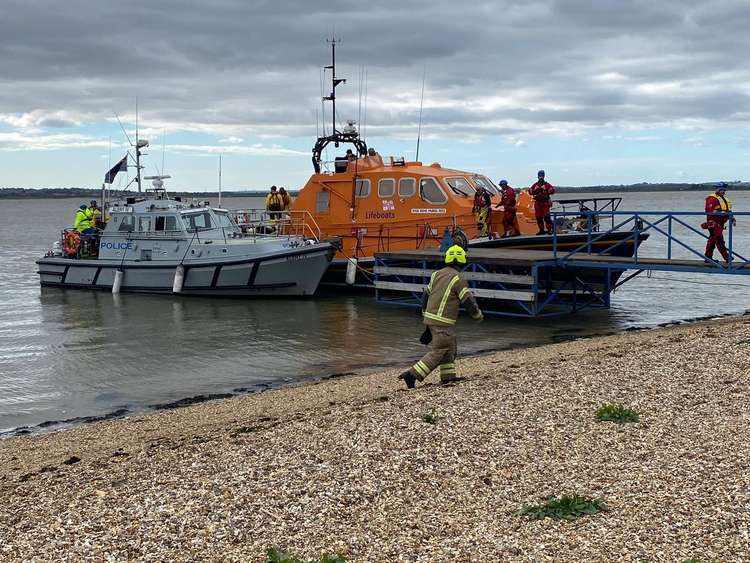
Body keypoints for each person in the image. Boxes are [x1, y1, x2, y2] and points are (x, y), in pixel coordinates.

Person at [398, 245, 483, 389]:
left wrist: (424, 312)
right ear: (463, 261)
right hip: (442, 321)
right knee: (440, 349)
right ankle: (412, 375)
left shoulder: (436, 274)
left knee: (449, 347)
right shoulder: (458, 279)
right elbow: (467, 300)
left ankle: (448, 377)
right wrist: (476, 314)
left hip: (431, 318)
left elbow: (426, 294)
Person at [703, 182, 735, 262]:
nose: (723, 191)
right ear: (716, 189)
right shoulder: (712, 199)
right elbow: (710, 211)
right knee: (719, 239)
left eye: (724, 190)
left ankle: (708, 257)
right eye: (721, 190)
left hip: (721, 223)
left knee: (712, 240)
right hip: (713, 223)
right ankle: (727, 257)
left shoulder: (724, 199)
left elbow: (728, 211)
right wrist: (720, 212)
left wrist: (732, 219)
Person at [528, 170, 555, 235]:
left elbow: (552, 190)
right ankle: (541, 230)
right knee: (538, 217)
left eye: (542, 176)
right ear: (537, 176)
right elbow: (530, 191)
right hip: (538, 203)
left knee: (546, 217)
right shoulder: (535, 185)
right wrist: (534, 191)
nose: (541, 177)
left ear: (544, 176)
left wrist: (546, 191)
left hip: (545, 203)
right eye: (540, 176)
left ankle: (549, 230)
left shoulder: (547, 185)